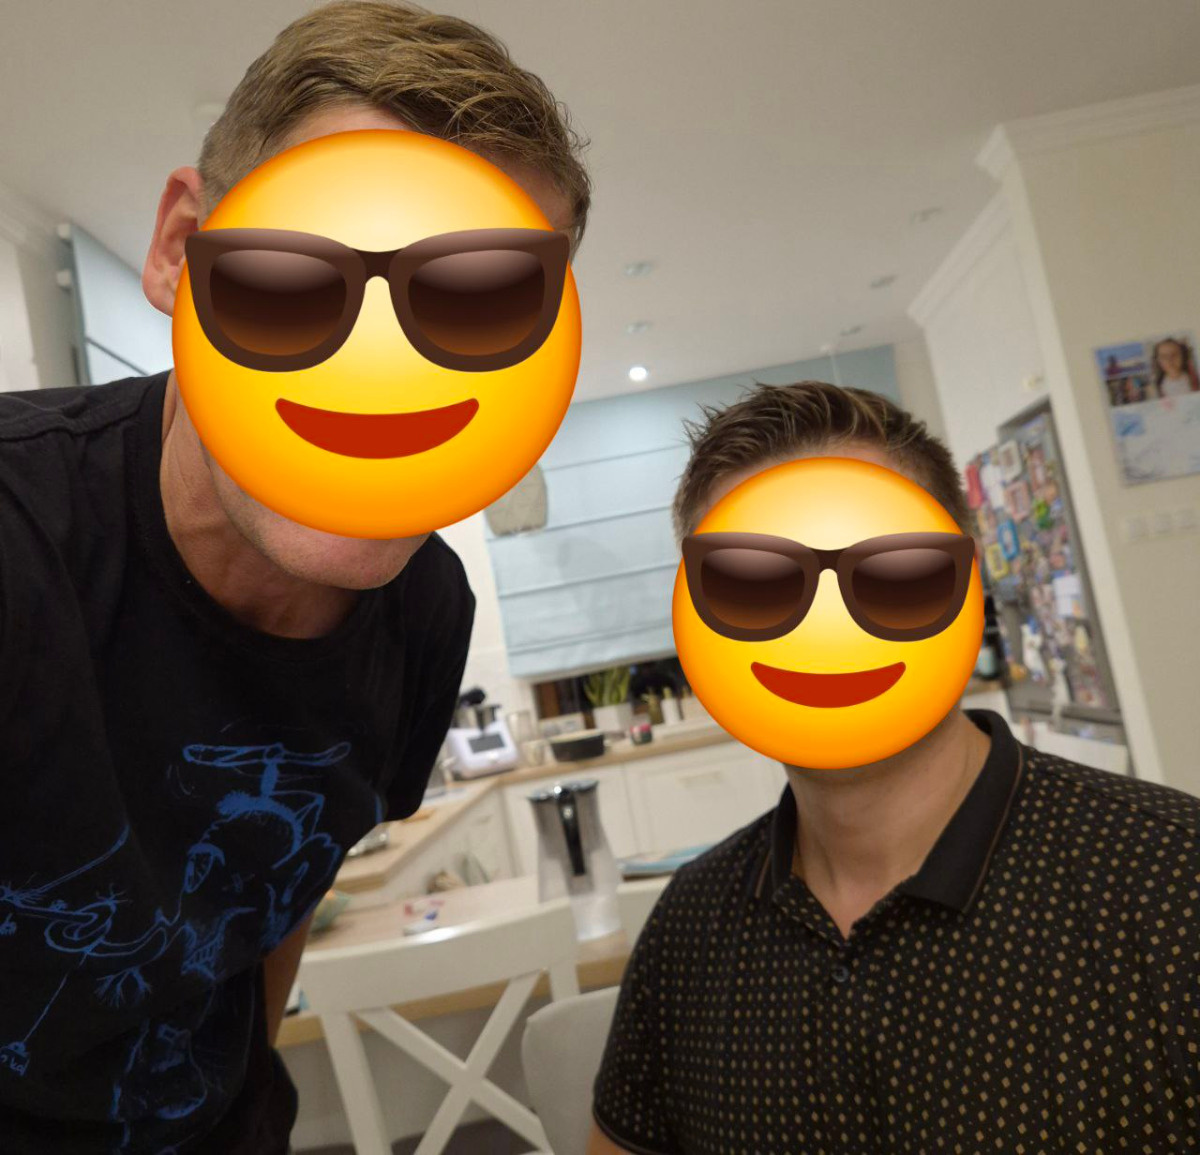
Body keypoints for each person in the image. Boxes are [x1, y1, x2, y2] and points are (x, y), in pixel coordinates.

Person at [0, 3, 588, 1151]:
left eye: (478, 300)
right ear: (180, 251)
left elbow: (280, 899)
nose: (381, 375)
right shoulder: (21, 542)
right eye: (296, 279)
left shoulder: (426, 613)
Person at [587, 382, 1200, 1154]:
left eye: (898, 575)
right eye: (753, 582)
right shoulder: (686, 930)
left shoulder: (1174, 889)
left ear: (970, 589)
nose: (827, 630)